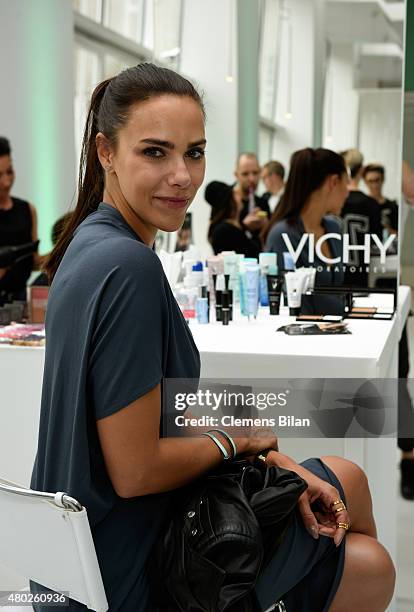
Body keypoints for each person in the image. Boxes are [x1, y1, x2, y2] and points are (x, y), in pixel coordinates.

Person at [31, 63, 394, 612]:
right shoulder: (128, 266)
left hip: (72, 556)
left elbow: (155, 411)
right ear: (106, 152)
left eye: (194, 152)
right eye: (155, 152)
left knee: (346, 479)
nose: (182, 175)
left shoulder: (88, 242)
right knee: (372, 567)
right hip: (125, 571)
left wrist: (265, 450)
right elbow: (135, 472)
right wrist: (240, 442)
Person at [263, 148, 349, 288]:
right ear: (333, 182)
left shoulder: (333, 229)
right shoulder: (284, 235)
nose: (347, 192)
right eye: (346, 183)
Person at [0, 136, 39, 301]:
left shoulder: (27, 209)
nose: (6, 182)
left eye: (9, 172)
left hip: (21, 303)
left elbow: (35, 261)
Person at [340, 149, 383, 288]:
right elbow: (377, 241)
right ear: (361, 171)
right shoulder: (371, 204)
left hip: (335, 276)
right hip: (360, 275)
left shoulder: (333, 204)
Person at [205, 180, 260, 258]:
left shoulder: (235, 226)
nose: (238, 194)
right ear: (230, 201)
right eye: (234, 193)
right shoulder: (223, 231)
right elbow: (251, 255)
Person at [363, 163, 398, 235]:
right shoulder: (361, 206)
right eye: (370, 181)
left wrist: (387, 228)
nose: (374, 185)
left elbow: (400, 235)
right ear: (365, 182)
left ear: (383, 179)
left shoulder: (392, 206)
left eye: (377, 180)